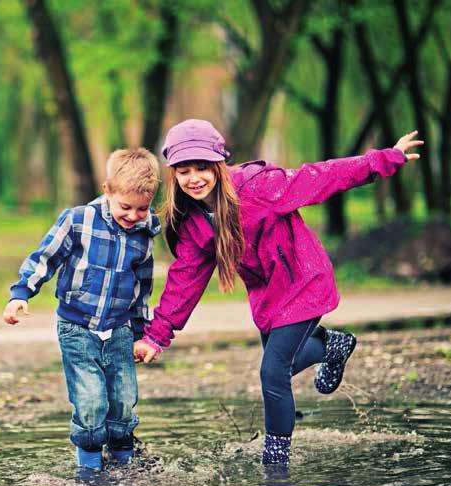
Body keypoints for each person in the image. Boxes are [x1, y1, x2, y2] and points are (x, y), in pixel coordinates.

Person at [134, 119, 422, 465]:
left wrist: (385, 159)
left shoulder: (260, 187)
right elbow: (185, 280)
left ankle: (276, 459)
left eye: (202, 168)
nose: (194, 178)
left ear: (218, 165)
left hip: (304, 282)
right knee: (281, 367)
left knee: (272, 371)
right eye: (184, 171)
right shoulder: (193, 220)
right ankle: (332, 346)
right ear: (174, 174)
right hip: (268, 297)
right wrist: (156, 336)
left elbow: (322, 177)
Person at [4, 148, 161, 471]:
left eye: (142, 209)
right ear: (108, 191)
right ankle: (89, 471)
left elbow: (142, 288)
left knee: (123, 398)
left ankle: (123, 462)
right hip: (77, 327)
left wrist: (141, 332)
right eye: (125, 207)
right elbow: (44, 258)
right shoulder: (78, 220)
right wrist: (21, 293)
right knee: (90, 399)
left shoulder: (145, 234)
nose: (133, 215)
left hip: (119, 328)